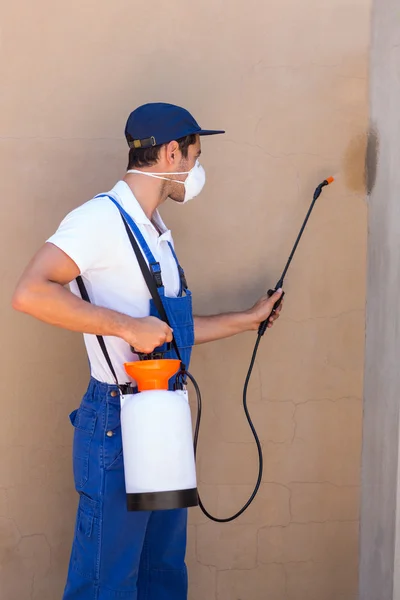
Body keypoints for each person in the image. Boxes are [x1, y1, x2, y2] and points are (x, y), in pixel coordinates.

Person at [12, 102, 283, 600]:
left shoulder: (154, 231)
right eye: (196, 156)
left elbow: (166, 333)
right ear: (172, 153)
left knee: (161, 572)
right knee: (107, 581)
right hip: (116, 420)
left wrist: (247, 320)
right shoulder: (99, 219)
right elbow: (29, 292)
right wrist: (127, 327)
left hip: (163, 417)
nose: (197, 171)